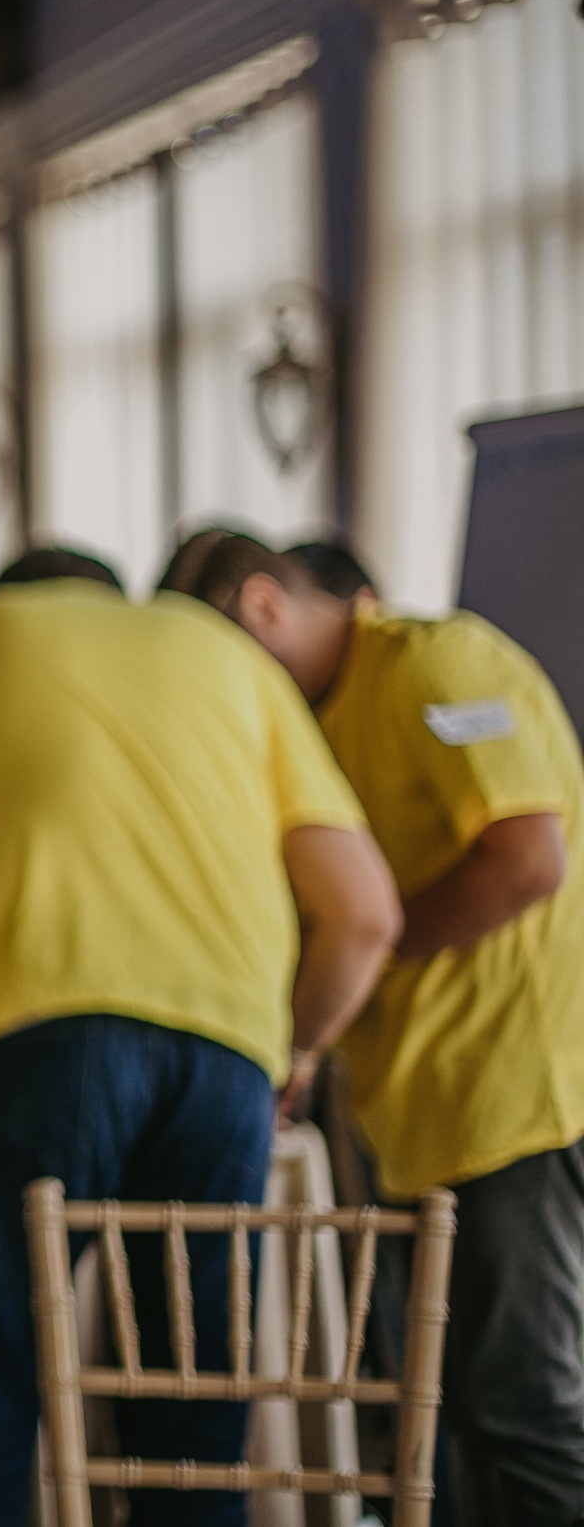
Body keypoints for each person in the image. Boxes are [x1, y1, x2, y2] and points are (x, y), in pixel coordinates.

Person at [0, 547, 399, 1525]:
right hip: (223, 1056)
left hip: (20, 1032)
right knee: (192, 1434)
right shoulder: (229, 658)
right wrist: (291, 1054)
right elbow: (365, 916)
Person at [198, 534, 584, 1527]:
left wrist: (376, 942)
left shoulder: (432, 662)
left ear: (264, 607)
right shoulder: (315, 722)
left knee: (524, 1411)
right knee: (436, 1425)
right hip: (415, 1113)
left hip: (513, 1094)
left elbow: (528, 858)